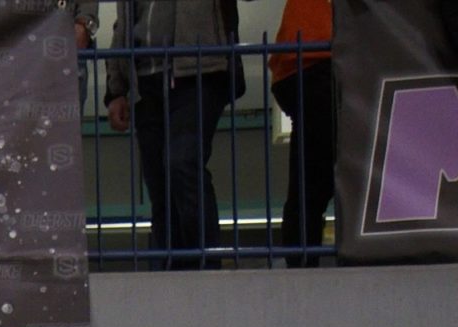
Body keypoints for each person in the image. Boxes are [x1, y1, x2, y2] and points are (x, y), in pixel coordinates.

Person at [103, 0, 257, 268]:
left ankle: (203, 266)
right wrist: (116, 89)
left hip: (199, 69)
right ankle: (174, 271)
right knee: (160, 184)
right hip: (146, 79)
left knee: (182, 162)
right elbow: (124, 22)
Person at [269, 0, 335, 266]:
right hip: (318, 59)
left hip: (302, 62)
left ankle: (301, 264)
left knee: (309, 185)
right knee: (316, 185)